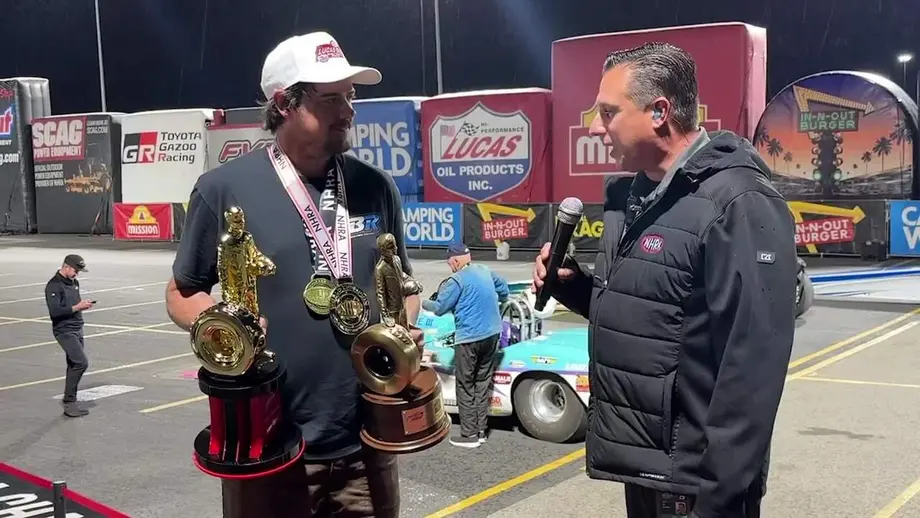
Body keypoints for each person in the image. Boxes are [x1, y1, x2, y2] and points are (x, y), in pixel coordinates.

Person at [532, 42, 796, 517]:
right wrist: (574, 286)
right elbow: (657, 316)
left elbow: (751, 370)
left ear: (659, 112)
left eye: (608, 112)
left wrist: (718, 499)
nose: (594, 127)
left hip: (697, 486)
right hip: (648, 472)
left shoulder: (739, 203)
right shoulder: (633, 197)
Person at [165, 31, 420, 518]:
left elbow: (403, 287)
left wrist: (403, 327)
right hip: (267, 450)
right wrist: (227, 328)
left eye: (350, 95)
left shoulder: (375, 186)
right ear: (284, 103)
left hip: (365, 448)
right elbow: (182, 291)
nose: (348, 111)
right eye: (331, 99)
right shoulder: (223, 189)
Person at [423, 243, 510, 448]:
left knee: (465, 384)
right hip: (492, 334)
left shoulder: (457, 280)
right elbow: (504, 291)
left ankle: (469, 435)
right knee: (482, 382)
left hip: (469, 338)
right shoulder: (484, 270)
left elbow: (440, 308)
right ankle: (481, 431)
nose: (450, 267)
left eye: (449, 263)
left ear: (455, 260)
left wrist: (422, 302)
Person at [44, 254, 94, 418]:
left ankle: (70, 402)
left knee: (73, 364)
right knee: (81, 363)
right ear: (66, 267)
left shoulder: (74, 283)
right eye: (75, 271)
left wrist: (82, 306)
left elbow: (74, 305)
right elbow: (55, 312)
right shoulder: (53, 286)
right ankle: (69, 400)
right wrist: (77, 307)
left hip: (77, 327)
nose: (77, 275)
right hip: (64, 330)